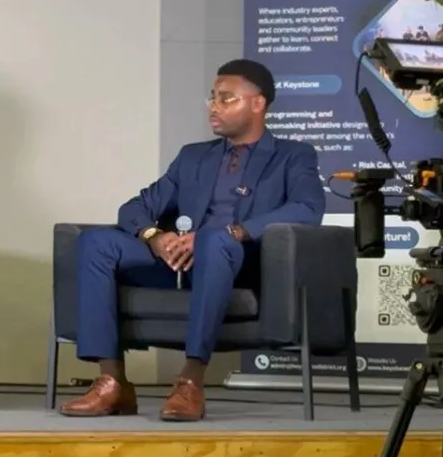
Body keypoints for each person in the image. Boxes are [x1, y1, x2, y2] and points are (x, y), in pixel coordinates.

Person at [59, 59, 325, 422]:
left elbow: (307, 208)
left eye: (226, 99)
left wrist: (236, 231)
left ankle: (191, 381)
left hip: (241, 261)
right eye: (212, 98)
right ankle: (112, 381)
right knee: (96, 242)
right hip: (180, 264)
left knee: (214, 241)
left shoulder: (292, 156)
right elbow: (136, 207)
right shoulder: (194, 157)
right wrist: (155, 237)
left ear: (258, 103)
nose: (213, 107)